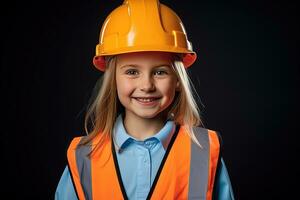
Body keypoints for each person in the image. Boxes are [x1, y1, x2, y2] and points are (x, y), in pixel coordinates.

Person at [55, 0, 235, 199]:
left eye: (160, 72)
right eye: (132, 72)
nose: (147, 85)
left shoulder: (205, 151)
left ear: (177, 80)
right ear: (113, 80)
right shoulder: (83, 158)